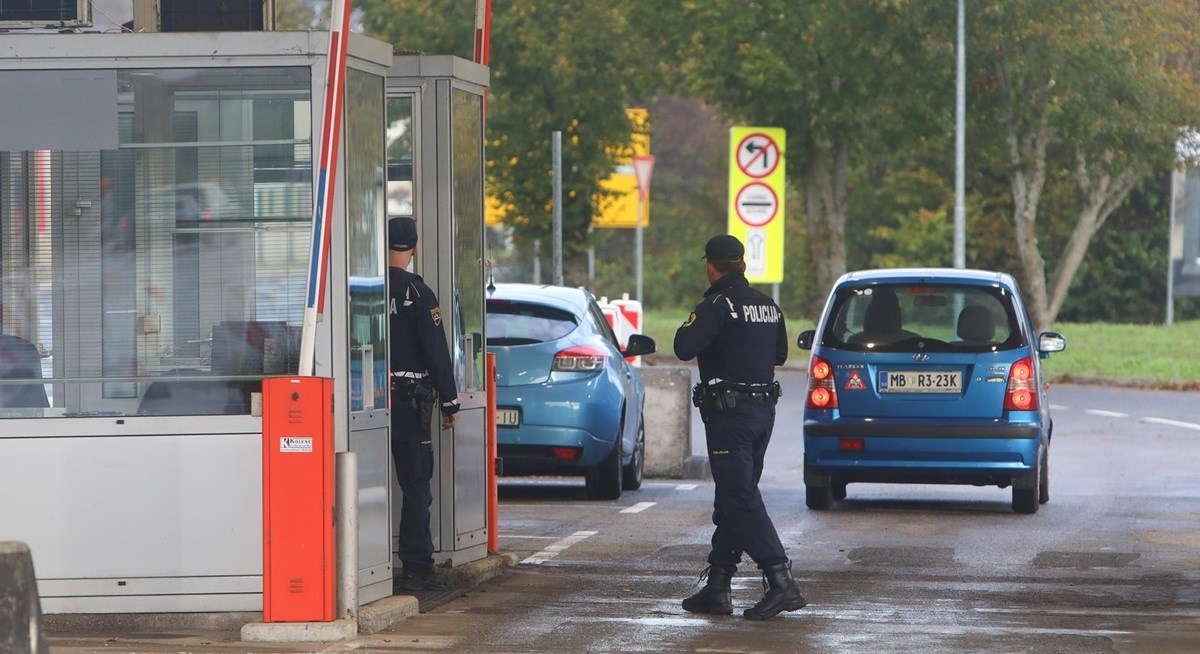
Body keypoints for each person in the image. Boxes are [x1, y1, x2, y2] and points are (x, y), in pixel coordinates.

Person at [673, 234, 806, 620]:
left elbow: (683, 345)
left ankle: (781, 580)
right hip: (763, 413)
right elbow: (780, 354)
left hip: (730, 416)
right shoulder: (768, 306)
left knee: (739, 497)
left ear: (711, 266)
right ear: (742, 264)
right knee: (734, 495)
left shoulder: (715, 305)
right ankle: (718, 584)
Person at [387, 215, 461, 592]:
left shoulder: (363, 290)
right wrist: (450, 403)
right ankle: (417, 567)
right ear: (414, 248)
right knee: (416, 485)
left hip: (366, 401)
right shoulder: (417, 292)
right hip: (410, 405)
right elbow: (436, 351)